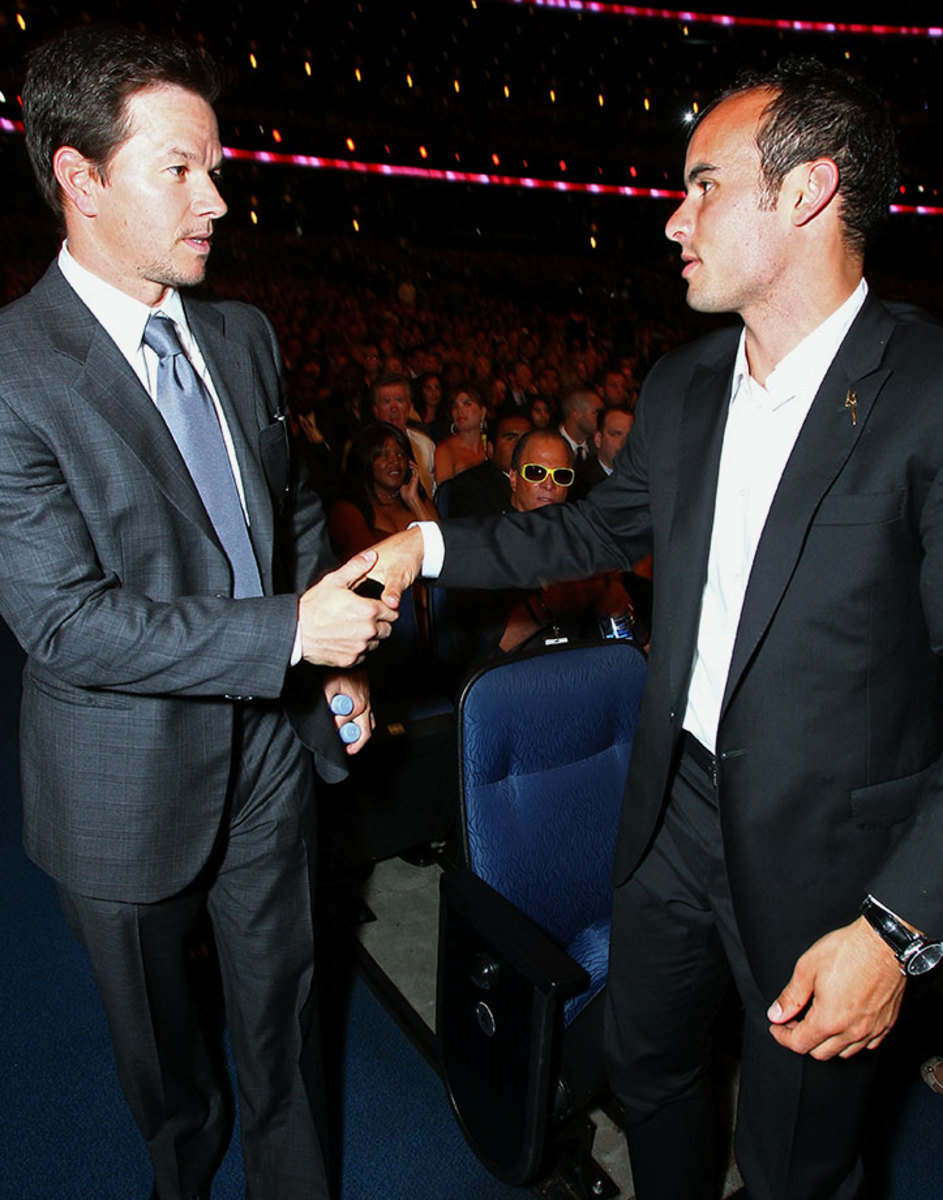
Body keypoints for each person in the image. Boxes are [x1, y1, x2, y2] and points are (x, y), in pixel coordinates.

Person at [367, 59, 943, 1200]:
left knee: (797, 1163)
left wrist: (900, 930)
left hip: (836, 866)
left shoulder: (928, 390)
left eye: (702, 186)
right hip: (670, 812)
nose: (672, 219)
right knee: (647, 1069)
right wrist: (423, 547)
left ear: (807, 191)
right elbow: (580, 535)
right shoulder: (682, 387)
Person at [0, 26, 397, 1200]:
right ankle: (184, 1165)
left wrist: (330, 665)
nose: (216, 198)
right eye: (180, 168)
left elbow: (288, 516)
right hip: (117, 782)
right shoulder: (14, 374)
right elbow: (65, 622)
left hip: (270, 750)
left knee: (284, 1013)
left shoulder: (242, 333)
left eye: (214, 165)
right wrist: (288, 636)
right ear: (78, 176)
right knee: (166, 1056)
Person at [329, 422, 438, 559]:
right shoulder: (348, 509)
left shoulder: (418, 498)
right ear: (365, 460)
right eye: (383, 454)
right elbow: (368, 563)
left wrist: (414, 501)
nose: (394, 461)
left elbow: (442, 549)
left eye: (400, 454)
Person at [371, 370, 436, 497]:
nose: (394, 408)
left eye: (399, 400)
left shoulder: (425, 445)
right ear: (376, 410)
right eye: (387, 401)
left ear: (410, 407)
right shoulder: (365, 447)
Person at [571, 404, 634, 501]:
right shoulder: (579, 482)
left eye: (630, 436)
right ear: (598, 439)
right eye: (616, 434)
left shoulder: (643, 477)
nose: (624, 443)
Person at [433, 383, 487, 484]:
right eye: (455, 406)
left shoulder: (491, 446)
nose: (459, 410)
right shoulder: (445, 451)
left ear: (482, 412)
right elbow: (444, 495)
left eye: (467, 404)